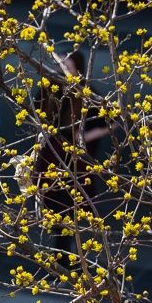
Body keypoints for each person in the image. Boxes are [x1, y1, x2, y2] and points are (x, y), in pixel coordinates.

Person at [33, 51, 110, 260]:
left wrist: (84, 137)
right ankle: (61, 251)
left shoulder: (86, 94)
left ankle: (65, 253)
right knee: (53, 200)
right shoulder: (51, 89)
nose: (65, 71)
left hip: (73, 158)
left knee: (70, 204)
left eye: (69, 67)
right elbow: (36, 110)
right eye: (63, 67)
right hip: (54, 153)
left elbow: (108, 121)